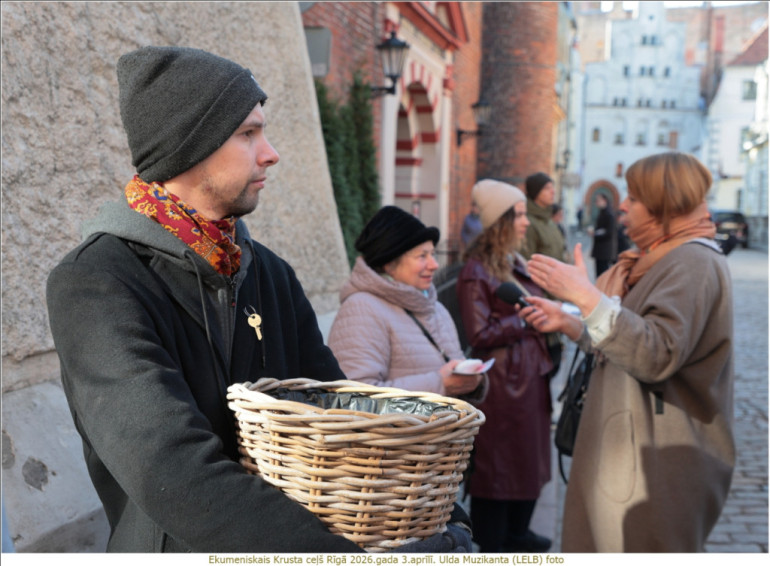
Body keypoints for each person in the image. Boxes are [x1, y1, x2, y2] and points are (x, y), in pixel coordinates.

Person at [46, 46, 472, 553]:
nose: (270, 152)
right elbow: (170, 467)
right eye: (247, 133)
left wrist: (447, 522)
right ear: (189, 146)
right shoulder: (96, 281)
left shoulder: (268, 272)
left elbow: (345, 415)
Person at [522, 152, 735, 552]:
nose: (622, 205)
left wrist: (586, 296)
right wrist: (570, 323)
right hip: (628, 452)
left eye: (634, 198)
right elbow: (624, 338)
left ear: (663, 205)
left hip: (655, 464)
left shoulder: (693, 262)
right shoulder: (655, 260)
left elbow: (657, 352)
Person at [455, 179, 554, 553]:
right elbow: (480, 333)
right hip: (503, 388)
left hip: (528, 381)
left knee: (527, 465)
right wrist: (525, 320)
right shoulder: (476, 271)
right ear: (501, 222)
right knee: (499, 473)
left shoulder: (513, 261)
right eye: (520, 215)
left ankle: (517, 532)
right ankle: (498, 541)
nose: (527, 222)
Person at [328, 205, 487, 401]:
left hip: (445, 430)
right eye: (422, 256)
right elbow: (355, 397)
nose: (434, 264)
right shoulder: (362, 309)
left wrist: (470, 382)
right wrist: (440, 384)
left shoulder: (435, 308)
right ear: (390, 264)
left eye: (433, 254)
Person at [522, 172, 567, 373]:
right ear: (535, 192)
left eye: (553, 187)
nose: (553, 191)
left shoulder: (550, 222)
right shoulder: (529, 223)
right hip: (542, 301)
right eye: (547, 188)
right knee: (545, 365)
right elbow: (526, 264)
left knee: (555, 362)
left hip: (559, 299)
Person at [590, 193, 618, 277]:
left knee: (603, 275)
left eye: (598, 200)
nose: (597, 203)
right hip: (600, 251)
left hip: (605, 251)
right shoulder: (602, 213)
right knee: (599, 275)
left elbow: (609, 232)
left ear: (604, 201)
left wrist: (595, 234)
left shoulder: (609, 214)